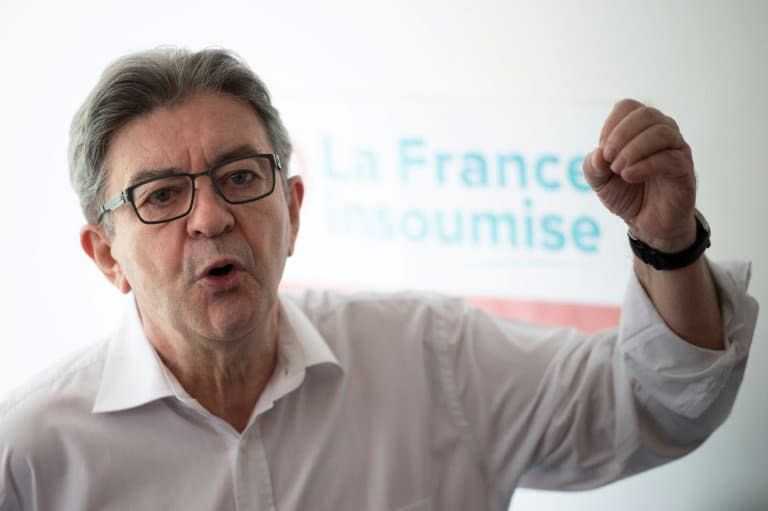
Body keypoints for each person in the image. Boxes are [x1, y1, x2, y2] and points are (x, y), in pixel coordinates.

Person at [0, 47, 758, 511]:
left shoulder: (434, 356)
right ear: (105, 254)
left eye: (240, 175)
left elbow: (658, 402)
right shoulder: (31, 456)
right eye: (161, 194)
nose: (211, 217)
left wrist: (667, 242)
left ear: (292, 211)